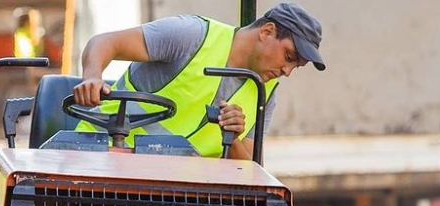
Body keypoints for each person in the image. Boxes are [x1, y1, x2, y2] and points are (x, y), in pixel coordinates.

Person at [72, 2, 325, 160]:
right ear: (267, 31)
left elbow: (250, 172)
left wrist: (233, 137)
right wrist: (93, 76)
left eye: (296, 66)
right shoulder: (190, 36)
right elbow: (106, 42)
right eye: (289, 57)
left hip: (176, 194)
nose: (288, 71)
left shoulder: (265, 93)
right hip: (100, 157)